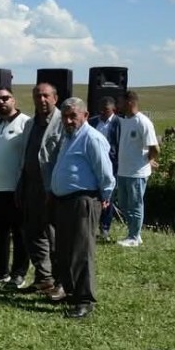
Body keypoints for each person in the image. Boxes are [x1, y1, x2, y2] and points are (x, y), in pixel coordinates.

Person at [46, 97, 115, 318]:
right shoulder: (68, 138)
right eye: (65, 116)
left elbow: (105, 172)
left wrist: (105, 196)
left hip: (83, 201)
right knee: (65, 250)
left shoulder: (91, 138)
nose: (68, 120)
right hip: (64, 201)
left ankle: (85, 300)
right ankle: (71, 292)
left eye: (73, 116)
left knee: (81, 251)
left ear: (85, 116)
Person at [17, 83, 63, 296]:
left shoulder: (63, 122)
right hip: (30, 186)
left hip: (51, 188)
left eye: (46, 95)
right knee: (33, 233)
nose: (41, 100)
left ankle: (61, 281)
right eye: (37, 96)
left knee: (54, 237)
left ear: (55, 98)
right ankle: (44, 278)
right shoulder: (30, 123)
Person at [0, 88, 32, 288]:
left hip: (16, 189)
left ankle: (18, 273)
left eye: (5, 98)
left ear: (14, 100)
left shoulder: (26, 123)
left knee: (19, 234)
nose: (1, 102)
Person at [115, 91, 159, 247]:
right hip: (123, 170)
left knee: (135, 205)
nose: (118, 105)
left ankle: (134, 237)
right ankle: (134, 233)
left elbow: (154, 148)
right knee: (123, 204)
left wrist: (149, 160)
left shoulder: (143, 122)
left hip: (137, 172)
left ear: (129, 102)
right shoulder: (125, 121)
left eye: (120, 102)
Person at [88, 97, 121, 241]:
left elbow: (119, 145)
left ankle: (105, 227)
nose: (102, 111)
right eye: (101, 108)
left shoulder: (119, 123)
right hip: (93, 164)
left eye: (106, 109)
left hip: (111, 165)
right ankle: (91, 225)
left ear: (113, 109)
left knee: (108, 197)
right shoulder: (92, 122)